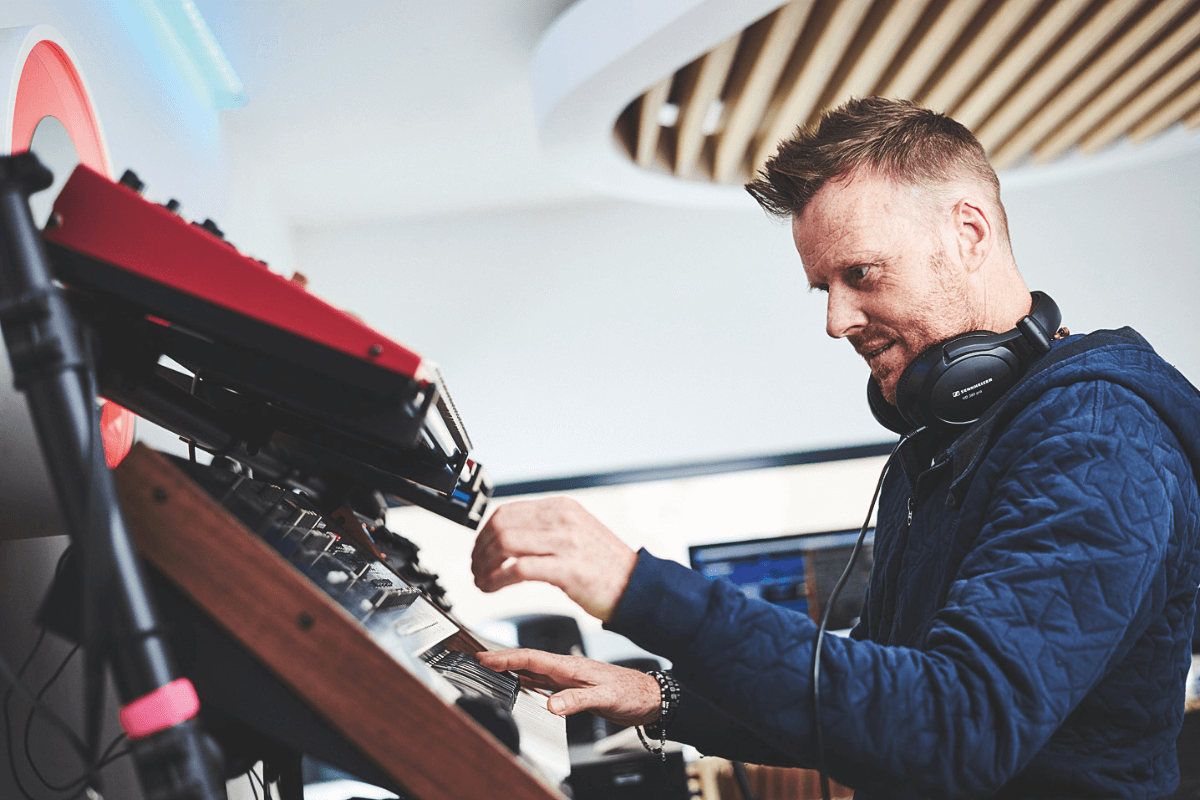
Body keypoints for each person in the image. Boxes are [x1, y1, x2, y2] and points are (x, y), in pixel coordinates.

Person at [470, 97, 1200, 799]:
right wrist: (660, 697)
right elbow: (868, 694)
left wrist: (638, 587)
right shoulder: (947, 439)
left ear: (969, 234)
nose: (836, 320)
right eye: (824, 286)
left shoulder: (1098, 440)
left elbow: (958, 727)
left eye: (861, 274)